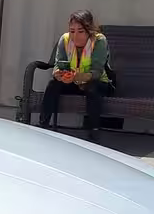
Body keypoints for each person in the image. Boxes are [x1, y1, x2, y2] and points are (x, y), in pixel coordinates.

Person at [39, 10, 114, 141]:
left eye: (80, 31)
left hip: (96, 82)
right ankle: (42, 126)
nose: (75, 36)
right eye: (72, 31)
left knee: (92, 88)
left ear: (89, 30)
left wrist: (78, 77)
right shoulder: (65, 39)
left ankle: (94, 131)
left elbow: (97, 72)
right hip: (72, 81)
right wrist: (60, 75)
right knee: (53, 84)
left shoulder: (99, 40)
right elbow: (57, 65)